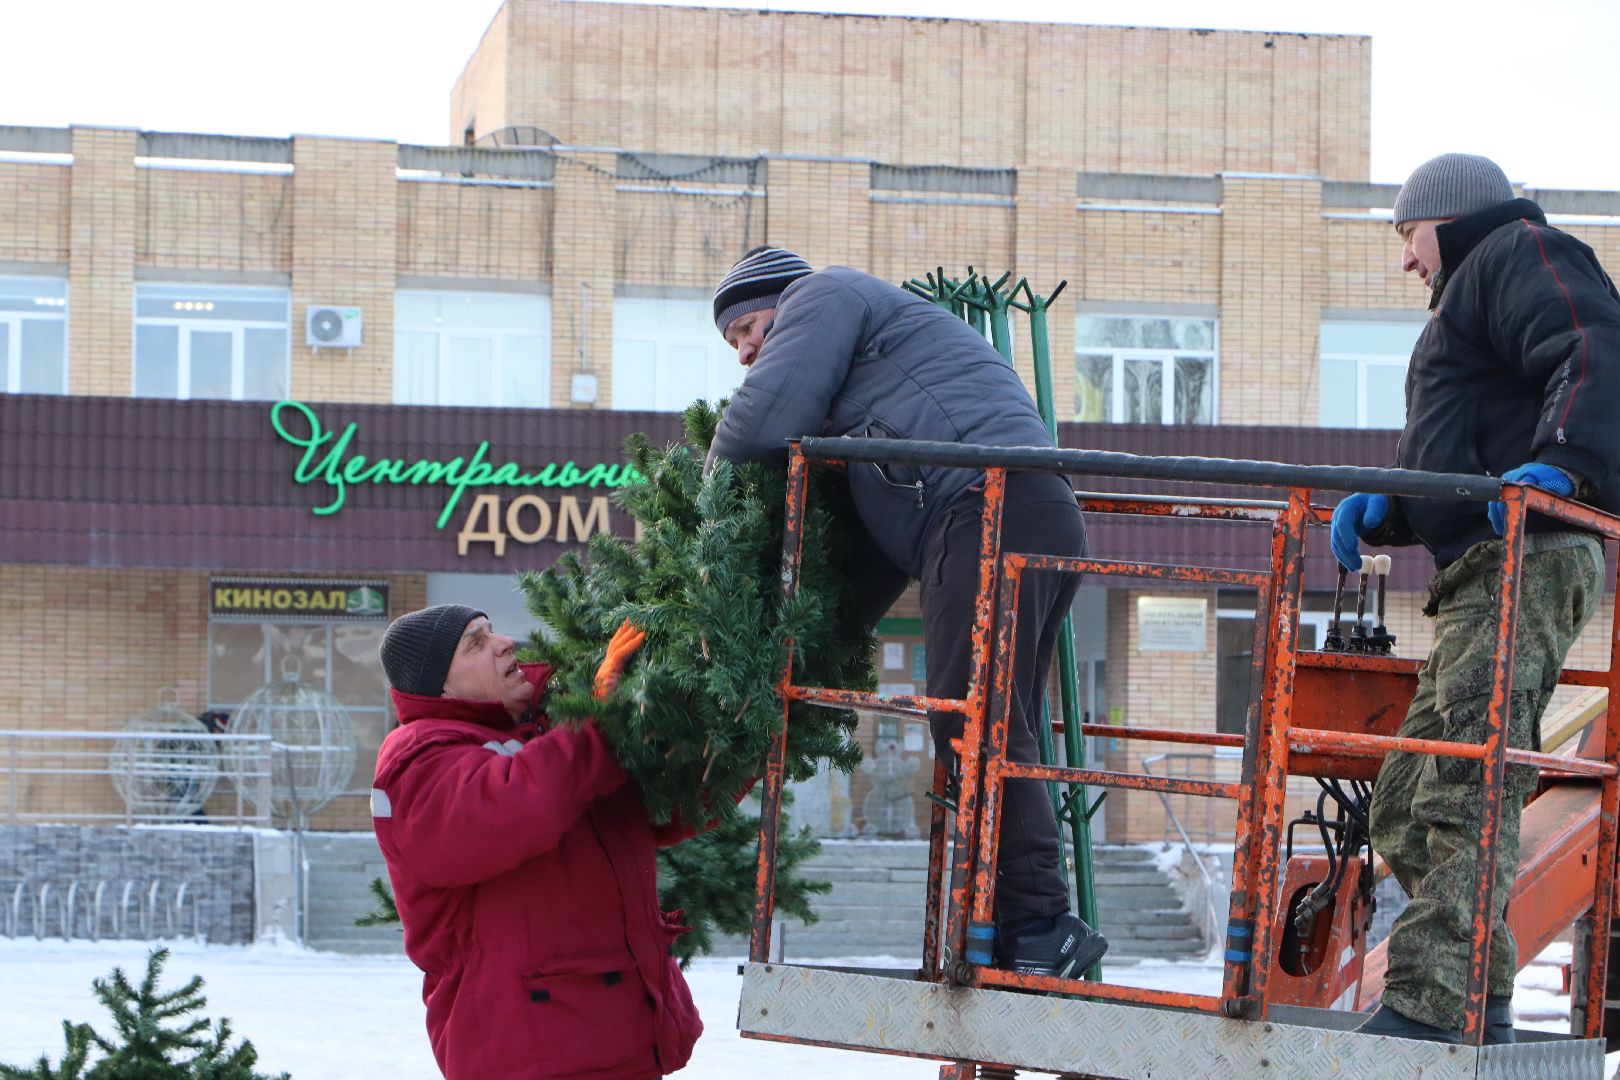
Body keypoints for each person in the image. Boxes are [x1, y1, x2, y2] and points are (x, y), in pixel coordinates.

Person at [706, 246, 1108, 979]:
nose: (745, 355)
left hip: (991, 505)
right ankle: (1011, 919)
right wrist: (795, 648)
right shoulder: (876, 410)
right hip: (1015, 508)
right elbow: (863, 569)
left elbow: (759, 426)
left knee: (972, 716)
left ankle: (1039, 924)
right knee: (997, 720)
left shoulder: (822, 294)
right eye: (735, 346)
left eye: (748, 330)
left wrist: (706, 511)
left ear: (782, 304)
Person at [1333, 153, 1620, 1043]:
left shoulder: (1516, 252)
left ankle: (1430, 1003)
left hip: (1530, 552)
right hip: (1481, 568)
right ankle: (1479, 994)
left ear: (1448, 221)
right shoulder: (1468, 299)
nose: (1408, 260)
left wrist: (1567, 464)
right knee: (1407, 802)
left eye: (1409, 237)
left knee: (1465, 778)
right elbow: (1465, 447)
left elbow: (1593, 346)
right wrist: (1393, 508)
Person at [371, 604, 701, 1079]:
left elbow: (658, 814)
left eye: (493, 631)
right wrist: (600, 716)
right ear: (438, 684)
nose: (505, 643)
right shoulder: (418, 760)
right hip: (532, 1054)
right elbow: (520, 807)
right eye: (476, 643)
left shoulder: (544, 733)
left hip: (623, 1038)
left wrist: (727, 750)